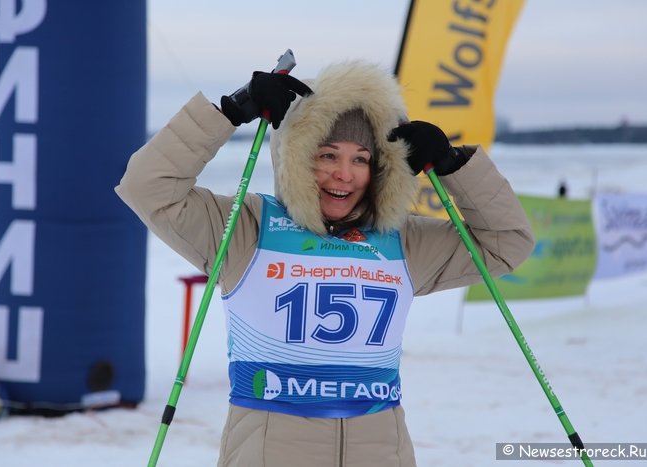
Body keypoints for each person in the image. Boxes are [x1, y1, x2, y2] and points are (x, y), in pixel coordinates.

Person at [116, 60, 534, 466]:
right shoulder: (244, 228)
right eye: (328, 155)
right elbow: (148, 188)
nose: (344, 175)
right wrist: (231, 110)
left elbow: (506, 243)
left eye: (361, 159)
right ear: (297, 157)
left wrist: (453, 166)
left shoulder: (402, 241)